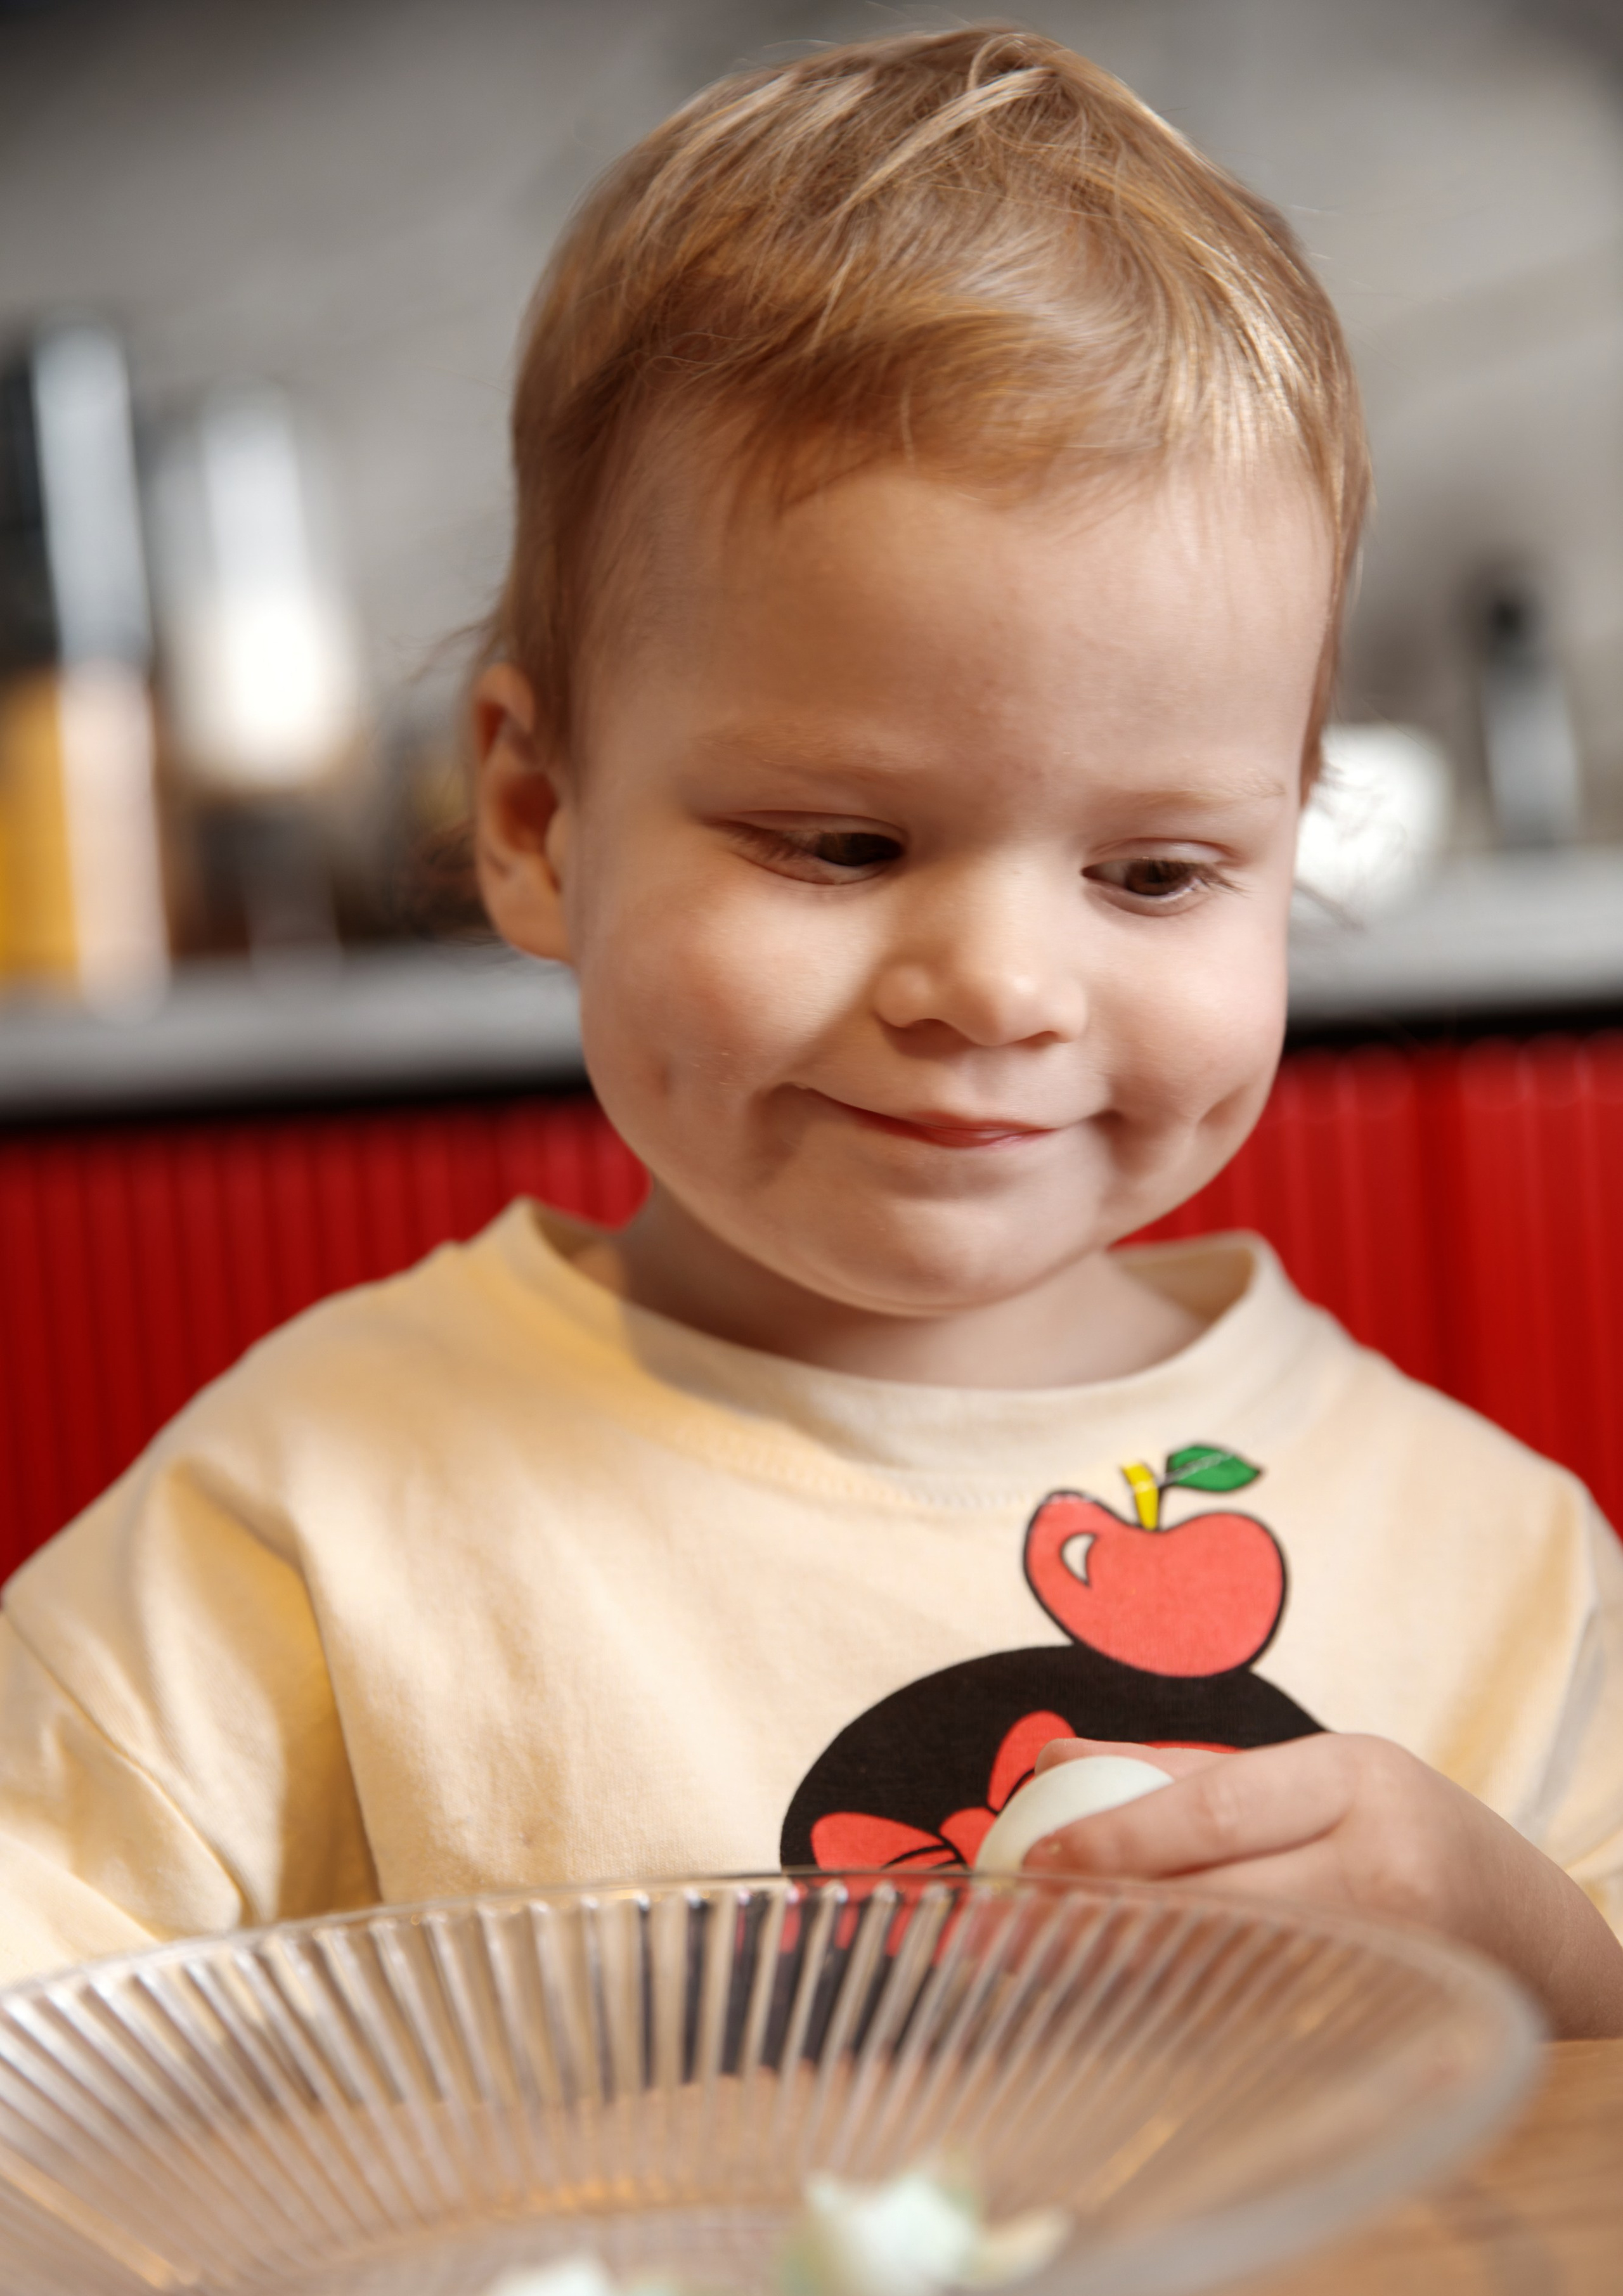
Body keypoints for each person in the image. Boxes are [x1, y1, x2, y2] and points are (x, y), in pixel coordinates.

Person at [2, 27, 1619, 2034]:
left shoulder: (1503, 1564)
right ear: (532, 817)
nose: (1006, 989)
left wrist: (1545, 1955)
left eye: (1156, 875)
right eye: (845, 840)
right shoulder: (317, 1521)